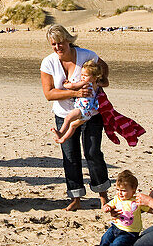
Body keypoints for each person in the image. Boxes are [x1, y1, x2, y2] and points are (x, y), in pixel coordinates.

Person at [40, 25, 111, 211]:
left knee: (93, 152)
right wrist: (76, 93)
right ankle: (75, 197)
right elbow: (48, 93)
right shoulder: (48, 63)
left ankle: (103, 194)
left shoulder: (87, 56)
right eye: (53, 44)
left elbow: (104, 72)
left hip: (91, 114)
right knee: (70, 156)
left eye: (60, 43)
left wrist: (98, 83)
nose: (57, 47)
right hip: (64, 113)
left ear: (68, 40)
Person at [54, 59, 104, 145]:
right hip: (88, 113)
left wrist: (65, 84)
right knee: (73, 126)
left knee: (67, 118)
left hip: (82, 109)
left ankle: (61, 132)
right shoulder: (97, 85)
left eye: (86, 75)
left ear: (94, 78)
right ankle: (63, 139)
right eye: (82, 75)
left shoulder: (86, 83)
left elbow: (73, 86)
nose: (83, 77)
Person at [100, 170, 147, 246]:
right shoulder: (117, 199)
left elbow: (149, 208)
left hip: (130, 232)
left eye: (123, 190)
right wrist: (107, 208)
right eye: (118, 190)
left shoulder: (136, 201)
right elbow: (109, 205)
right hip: (116, 227)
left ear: (133, 191)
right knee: (105, 238)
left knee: (118, 244)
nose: (120, 193)